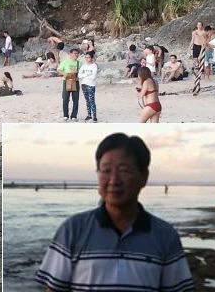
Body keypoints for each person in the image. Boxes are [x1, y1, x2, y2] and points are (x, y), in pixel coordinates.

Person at [35, 133, 194, 292]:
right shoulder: (73, 229)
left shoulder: (165, 236)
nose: (113, 180)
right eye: (106, 170)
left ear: (144, 176)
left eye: (124, 170)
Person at [58, 48, 81, 121]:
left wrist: (77, 72)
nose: (76, 55)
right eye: (74, 53)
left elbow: (82, 72)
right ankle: (65, 115)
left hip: (75, 81)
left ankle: (74, 115)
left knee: (75, 99)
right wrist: (65, 74)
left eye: (77, 53)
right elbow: (59, 69)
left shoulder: (79, 63)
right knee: (65, 99)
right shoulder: (66, 62)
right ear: (70, 54)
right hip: (66, 81)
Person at [79, 51, 99, 122]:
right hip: (84, 84)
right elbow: (79, 75)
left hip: (91, 84)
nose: (87, 59)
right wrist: (87, 74)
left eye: (88, 57)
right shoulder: (83, 66)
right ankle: (89, 114)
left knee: (92, 100)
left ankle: (94, 116)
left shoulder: (94, 66)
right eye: (86, 57)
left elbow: (93, 77)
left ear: (91, 58)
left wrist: (84, 76)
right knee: (87, 100)